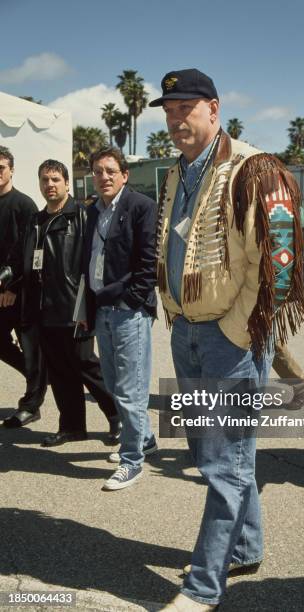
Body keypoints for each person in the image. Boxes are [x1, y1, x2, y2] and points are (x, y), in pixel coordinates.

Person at [151, 68, 304, 611]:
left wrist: (238, 330)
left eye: (185, 108)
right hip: (186, 331)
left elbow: (281, 265)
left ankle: (202, 586)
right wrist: (173, 306)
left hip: (229, 337)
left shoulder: (256, 168)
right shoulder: (175, 174)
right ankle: (243, 547)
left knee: (224, 465)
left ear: (213, 109)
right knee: (216, 453)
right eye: (168, 111)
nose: (175, 120)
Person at [0, 160, 120, 447]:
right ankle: (72, 426)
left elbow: (95, 262)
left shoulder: (82, 216)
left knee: (84, 364)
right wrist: (5, 278)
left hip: (74, 304)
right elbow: (18, 260)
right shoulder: (36, 221)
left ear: (67, 183)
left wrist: (92, 302)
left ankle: (117, 417)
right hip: (42, 307)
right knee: (59, 369)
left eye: (55, 179)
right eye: (44, 180)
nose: (49, 185)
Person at [82, 147, 158, 491]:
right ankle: (144, 437)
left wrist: (132, 300)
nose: (104, 177)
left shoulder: (140, 206)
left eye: (111, 171)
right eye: (98, 171)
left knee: (130, 390)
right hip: (102, 309)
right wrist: (88, 310)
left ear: (124, 175)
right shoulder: (92, 211)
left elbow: (149, 261)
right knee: (113, 385)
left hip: (128, 311)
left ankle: (131, 462)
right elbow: (87, 264)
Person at [0, 146, 47, 428]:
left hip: (20, 292)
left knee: (31, 348)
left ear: (12, 170)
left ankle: (31, 404)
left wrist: (12, 287)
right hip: (0, 292)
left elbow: (27, 252)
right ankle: (39, 376)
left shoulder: (24, 204)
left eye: (1, 167)